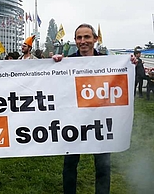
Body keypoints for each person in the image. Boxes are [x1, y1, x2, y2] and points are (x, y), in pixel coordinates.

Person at [55, 23, 109, 194]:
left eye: (87, 37)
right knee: (70, 164)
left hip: (101, 121)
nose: (83, 41)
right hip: (74, 122)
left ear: (95, 39)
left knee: (103, 166)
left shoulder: (108, 63)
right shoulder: (66, 62)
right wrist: (54, 65)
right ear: (75, 41)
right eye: (79, 37)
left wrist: (130, 64)